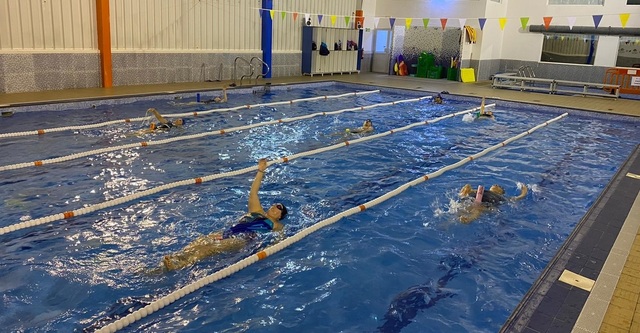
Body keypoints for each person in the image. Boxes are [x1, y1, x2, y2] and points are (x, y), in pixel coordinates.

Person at [162, 158, 287, 270]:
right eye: (274, 205)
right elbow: (253, 192)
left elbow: (280, 238)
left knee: (209, 248)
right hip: (230, 232)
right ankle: (177, 256)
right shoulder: (257, 211)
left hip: (243, 239)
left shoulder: (276, 225)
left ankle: (180, 265)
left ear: (280, 217)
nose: (274, 207)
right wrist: (260, 171)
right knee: (201, 240)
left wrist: (268, 249)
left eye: (278, 209)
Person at [457, 183, 527, 224]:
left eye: (499, 187)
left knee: (477, 210)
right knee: (461, 207)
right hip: (471, 200)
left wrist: (524, 190)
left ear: (501, 192)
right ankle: (449, 223)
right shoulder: (481, 191)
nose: (496, 185)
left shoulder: (503, 198)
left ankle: (469, 219)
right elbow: (463, 194)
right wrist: (466, 190)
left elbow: (520, 197)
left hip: (486, 204)